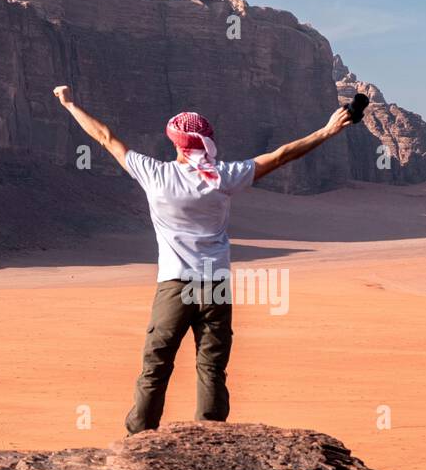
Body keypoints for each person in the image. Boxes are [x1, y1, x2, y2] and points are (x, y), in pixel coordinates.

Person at [53, 84, 353, 433]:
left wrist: (70, 104)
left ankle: (139, 436)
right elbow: (283, 155)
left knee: (157, 363)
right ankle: (210, 438)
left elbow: (105, 137)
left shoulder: (155, 174)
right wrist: (327, 130)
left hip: (175, 286)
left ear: (175, 143)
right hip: (216, 286)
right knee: (211, 365)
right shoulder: (223, 177)